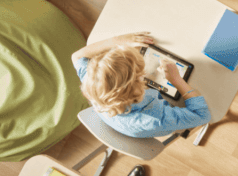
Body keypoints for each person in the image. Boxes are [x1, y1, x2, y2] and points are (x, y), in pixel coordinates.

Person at [71, 32, 211, 139]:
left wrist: (118, 41)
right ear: (138, 88)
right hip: (162, 120)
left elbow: (77, 57)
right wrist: (176, 80)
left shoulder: (95, 80)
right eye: (140, 73)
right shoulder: (156, 119)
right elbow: (202, 115)